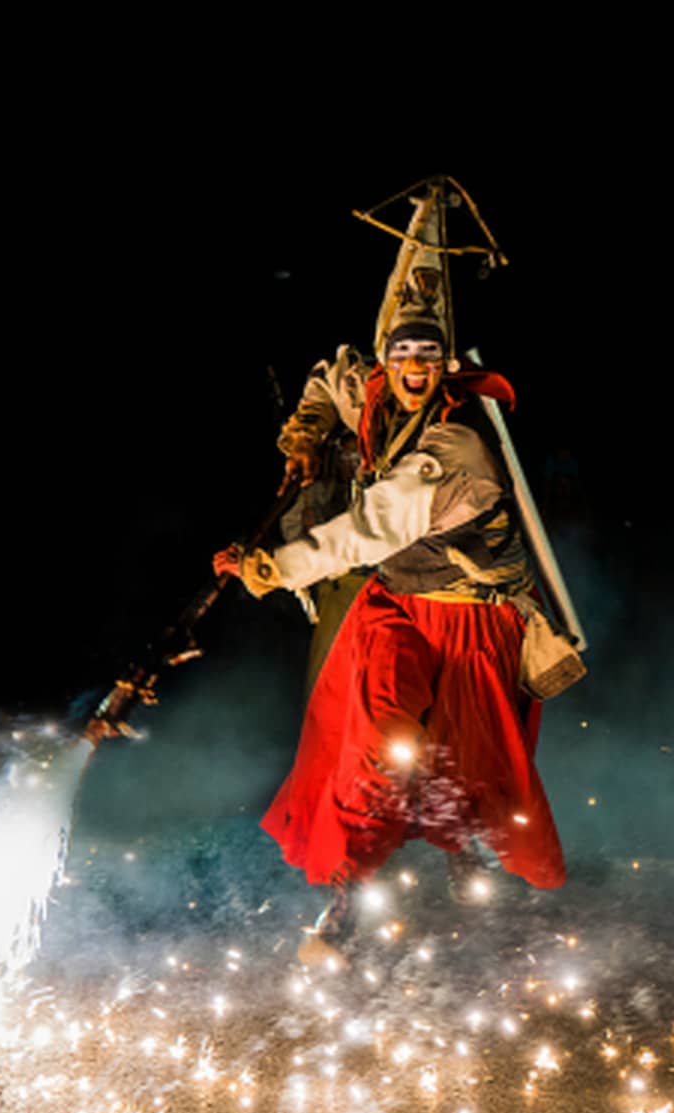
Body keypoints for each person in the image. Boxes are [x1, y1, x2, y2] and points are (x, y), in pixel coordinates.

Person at [214, 187, 567, 963]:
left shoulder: (458, 448)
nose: (411, 368)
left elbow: (378, 524)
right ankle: (344, 896)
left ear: (445, 366)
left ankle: (461, 853)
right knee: (372, 746)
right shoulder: (370, 393)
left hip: (473, 619)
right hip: (398, 606)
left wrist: (275, 567)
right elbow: (324, 379)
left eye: (426, 357)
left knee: (462, 760)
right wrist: (307, 432)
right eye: (402, 354)